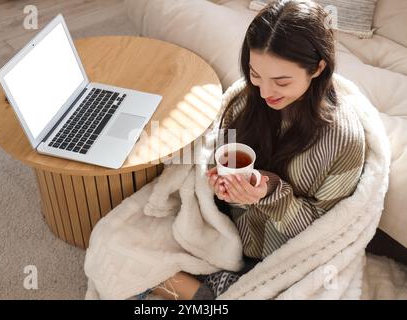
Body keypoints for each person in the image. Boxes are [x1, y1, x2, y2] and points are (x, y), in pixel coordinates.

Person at [137, 0, 365, 300]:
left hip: (285, 256)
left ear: (318, 68)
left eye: (281, 81)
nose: (265, 92)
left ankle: (205, 294)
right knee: (127, 249)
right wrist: (219, 187)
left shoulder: (343, 141)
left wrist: (271, 193)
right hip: (227, 241)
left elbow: (324, 234)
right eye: (256, 75)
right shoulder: (245, 105)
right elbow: (214, 162)